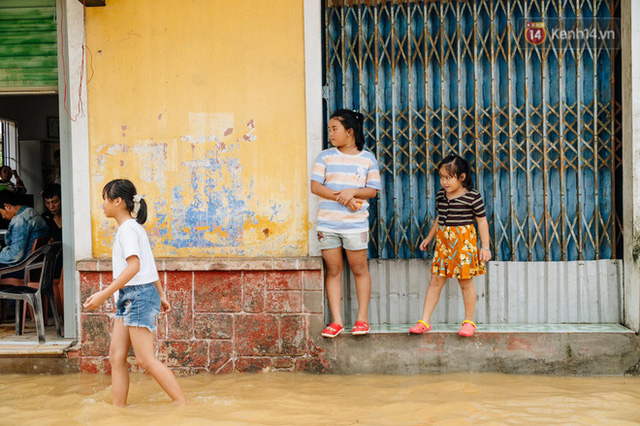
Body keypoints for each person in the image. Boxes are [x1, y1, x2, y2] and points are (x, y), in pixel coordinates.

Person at [83, 179, 187, 406]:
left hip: (136, 296)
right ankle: (118, 411)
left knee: (145, 359)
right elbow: (148, 264)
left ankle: (184, 406)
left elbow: (135, 266)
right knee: (116, 356)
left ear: (117, 201)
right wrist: (160, 294)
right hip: (134, 296)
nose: (102, 204)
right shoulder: (133, 228)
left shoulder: (127, 230)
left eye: (105, 199)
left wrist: (102, 294)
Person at [310, 109, 381, 338]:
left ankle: (362, 319)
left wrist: (353, 192)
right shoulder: (325, 156)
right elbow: (316, 187)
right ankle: (337, 321)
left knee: (359, 269)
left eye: (335, 129)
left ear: (349, 132)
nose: (330, 133)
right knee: (333, 270)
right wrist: (343, 197)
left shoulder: (367, 158)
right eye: (329, 129)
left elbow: (371, 190)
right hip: (328, 224)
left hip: (355, 224)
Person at [409, 153, 491, 337]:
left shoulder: (472, 196)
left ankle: (469, 322)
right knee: (436, 281)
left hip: (464, 243)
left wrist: (485, 247)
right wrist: (430, 237)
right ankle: (424, 320)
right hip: (444, 243)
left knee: (465, 283)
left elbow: (482, 221)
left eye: (449, 177)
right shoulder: (441, 195)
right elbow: (440, 218)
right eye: (441, 177)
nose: (444, 182)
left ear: (462, 177)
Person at [0, 189, 48, 273]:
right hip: (36, 265)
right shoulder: (32, 212)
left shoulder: (20, 220)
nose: (3, 217)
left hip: (23, 267)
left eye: (1, 213)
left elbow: (15, 256)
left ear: (7, 206)